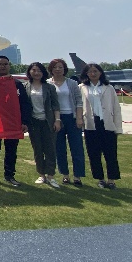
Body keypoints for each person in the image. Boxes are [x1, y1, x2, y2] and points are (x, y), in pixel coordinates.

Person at [0, 56, 31, 186]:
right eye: (0, 64)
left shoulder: (16, 83)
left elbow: (24, 103)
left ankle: (9, 175)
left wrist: (24, 121)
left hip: (12, 121)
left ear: (9, 66)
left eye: (5, 64)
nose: (3, 66)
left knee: (11, 149)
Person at [79, 63, 123, 189]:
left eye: (95, 71)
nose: (93, 74)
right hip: (91, 124)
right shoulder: (81, 87)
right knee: (94, 154)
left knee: (111, 154)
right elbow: (79, 105)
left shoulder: (108, 88)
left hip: (107, 123)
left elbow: (116, 108)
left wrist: (118, 127)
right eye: (90, 71)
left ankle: (111, 180)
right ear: (86, 74)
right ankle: (100, 179)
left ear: (100, 73)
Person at [47, 58, 85, 186]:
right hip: (56, 119)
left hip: (72, 117)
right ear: (51, 70)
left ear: (64, 69)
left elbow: (79, 102)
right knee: (59, 148)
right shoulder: (48, 84)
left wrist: (79, 118)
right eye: (55, 67)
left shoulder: (72, 83)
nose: (58, 69)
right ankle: (65, 175)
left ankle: (77, 176)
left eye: (60, 67)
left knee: (77, 147)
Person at [25, 62, 61, 188]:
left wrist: (57, 120)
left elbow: (55, 105)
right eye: (34, 70)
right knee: (38, 149)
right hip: (34, 122)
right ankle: (41, 174)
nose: (36, 73)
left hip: (48, 121)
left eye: (39, 70)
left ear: (43, 72)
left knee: (50, 149)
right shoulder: (26, 86)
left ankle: (51, 176)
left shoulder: (49, 87)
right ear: (30, 72)